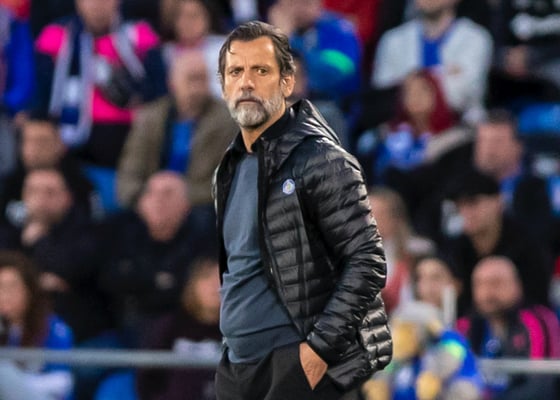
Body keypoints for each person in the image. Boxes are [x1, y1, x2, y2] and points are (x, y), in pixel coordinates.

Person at [213, 21, 391, 400]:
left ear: (287, 82)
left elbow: (368, 261)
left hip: (296, 365)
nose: (247, 83)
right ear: (224, 85)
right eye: (235, 72)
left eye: (261, 71)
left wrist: (317, 355)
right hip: (239, 366)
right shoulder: (229, 166)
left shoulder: (320, 159)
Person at [99, 171, 216, 348]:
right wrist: (158, 281)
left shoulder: (204, 239)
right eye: (150, 193)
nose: (158, 200)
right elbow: (109, 281)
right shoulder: (119, 233)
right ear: (140, 203)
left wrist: (141, 281)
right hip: (120, 327)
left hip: (184, 331)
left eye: (168, 193)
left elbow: (193, 291)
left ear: (186, 204)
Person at [117, 50, 237, 209]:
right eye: (191, 79)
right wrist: (144, 200)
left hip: (201, 205)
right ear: (172, 82)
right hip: (151, 202)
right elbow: (129, 173)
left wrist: (185, 196)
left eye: (202, 79)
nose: (197, 88)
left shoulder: (227, 121)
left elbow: (231, 181)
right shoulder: (150, 119)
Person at [371, 0, 493, 124]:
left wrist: (410, 84)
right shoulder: (393, 40)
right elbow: (385, 96)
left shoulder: (476, 38)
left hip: (461, 127)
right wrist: (444, 76)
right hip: (403, 129)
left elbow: (463, 96)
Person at [456, 256, 560, 399]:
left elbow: (542, 382)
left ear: (517, 286)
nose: (487, 292)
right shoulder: (464, 326)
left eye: (496, 283)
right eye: (479, 284)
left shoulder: (537, 321)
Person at [136, 256, 222, 400]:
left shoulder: (241, 331)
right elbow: (148, 378)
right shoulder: (170, 325)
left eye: (222, 278)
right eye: (206, 277)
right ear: (193, 284)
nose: (215, 285)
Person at [0, 250, 74, 400]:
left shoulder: (52, 328)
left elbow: (62, 382)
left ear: (29, 290)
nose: (4, 296)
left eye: (11, 287)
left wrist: (14, 382)